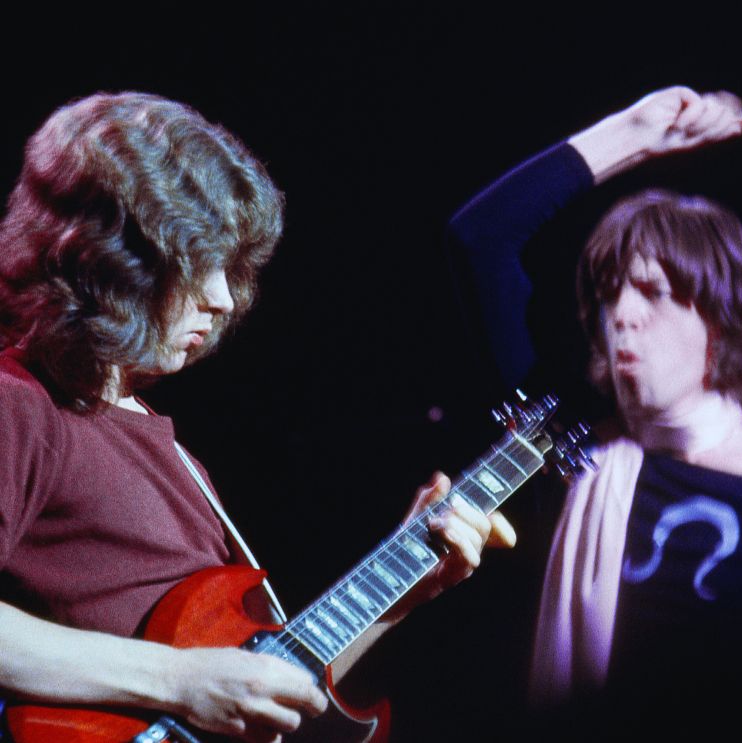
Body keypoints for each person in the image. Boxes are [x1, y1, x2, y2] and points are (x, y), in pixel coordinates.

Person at [0, 92, 514, 742]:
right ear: (106, 258)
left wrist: (410, 583)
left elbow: (263, 684)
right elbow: (195, 684)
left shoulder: (178, 458)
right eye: (194, 262)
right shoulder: (21, 402)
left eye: (230, 267)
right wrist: (176, 680)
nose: (221, 297)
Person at [447, 87, 742, 734]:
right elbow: (479, 236)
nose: (622, 313)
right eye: (609, 293)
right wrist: (635, 133)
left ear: (720, 320)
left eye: (652, 291)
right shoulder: (563, 452)